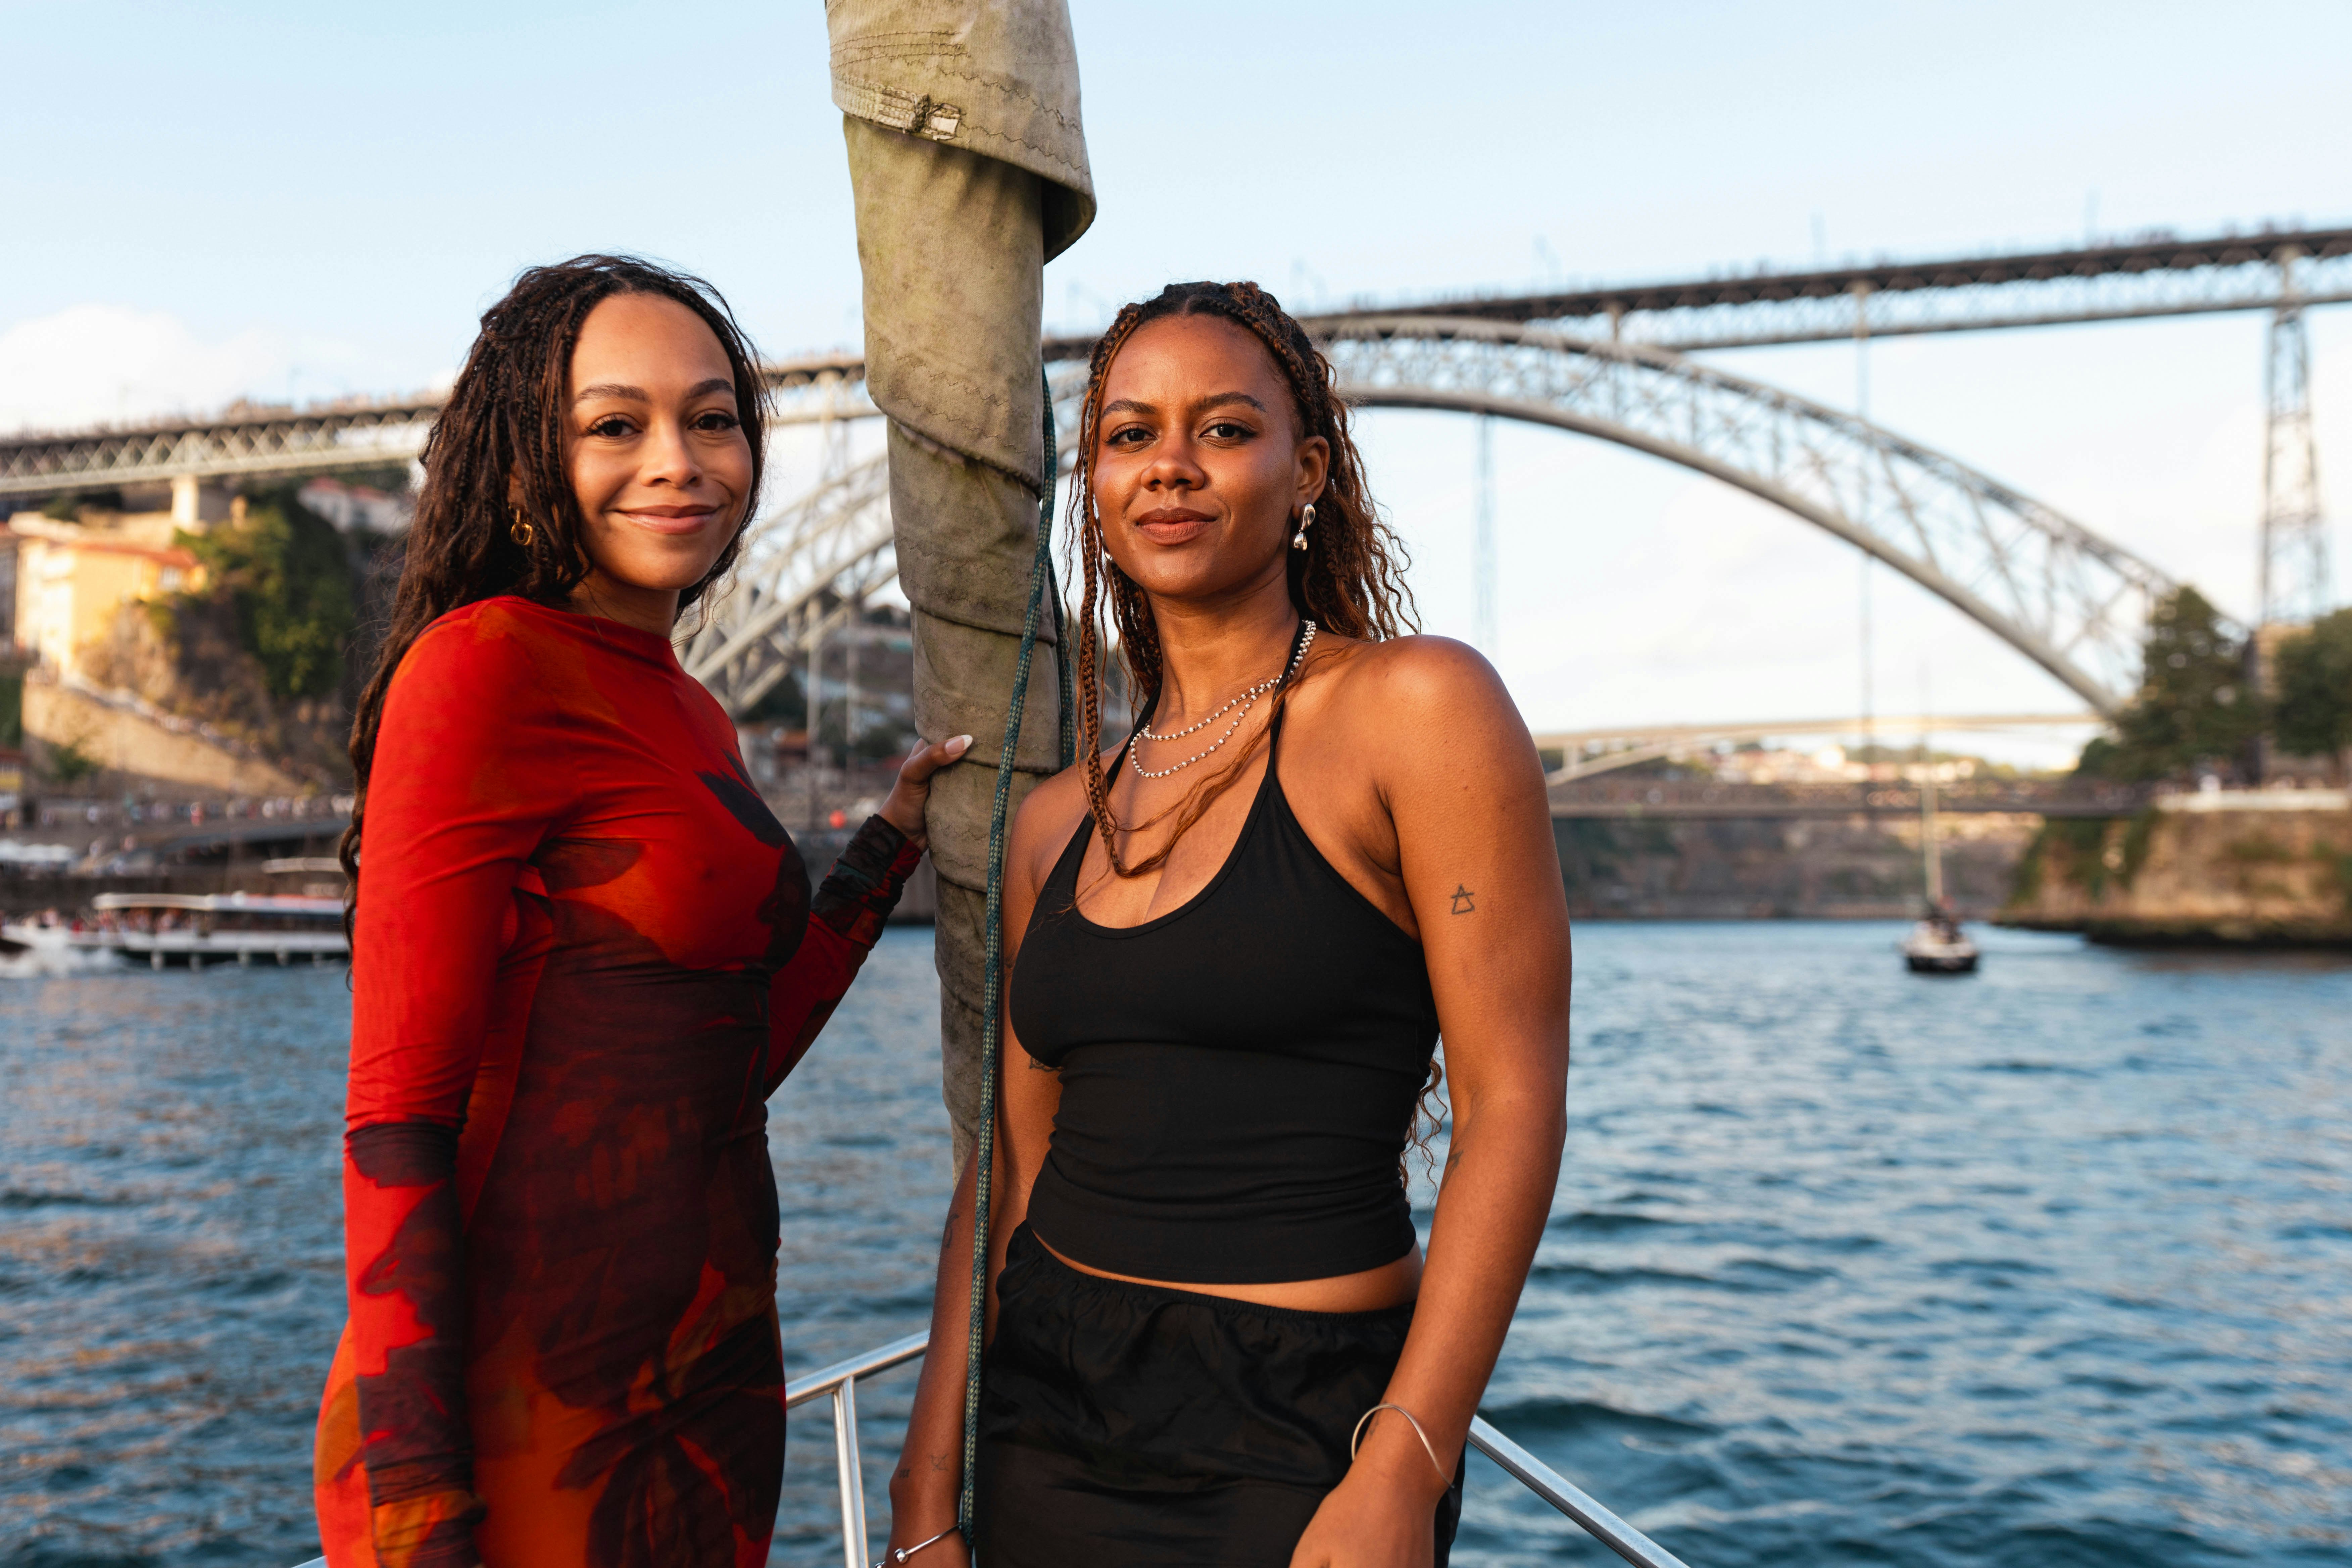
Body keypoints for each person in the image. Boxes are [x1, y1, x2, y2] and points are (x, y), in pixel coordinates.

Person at [883, 281, 1573, 1568]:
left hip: (1300, 1433)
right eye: (1130, 436)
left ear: (1307, 468)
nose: (1171, 471)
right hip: (1042, 1409)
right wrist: (926, 1489)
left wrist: (1403, 1468)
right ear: (1092, 484)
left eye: (1224, 430)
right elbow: (1009, 1176)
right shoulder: (1051, 825)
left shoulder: (1418, 712)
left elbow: (1512, 1108)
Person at [311, 255, 967, 1568]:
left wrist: (886, 846)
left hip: (708, 1390)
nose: (679, 459)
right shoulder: (482, 670)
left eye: (712, 417)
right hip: (526, 1421)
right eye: (617, 424)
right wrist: (426, 1516)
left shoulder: (690, 708)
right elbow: (396, 1123)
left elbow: (733, 1054)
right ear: (523, 459)